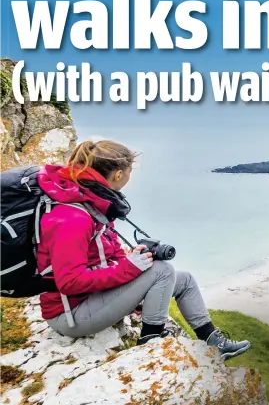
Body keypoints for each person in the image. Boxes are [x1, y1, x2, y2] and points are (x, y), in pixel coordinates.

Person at [36, 140, 250, 360]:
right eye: (130, 172)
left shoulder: (91, 202)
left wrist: (130, 260)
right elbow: (69, 282)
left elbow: (102, 253)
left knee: (184, 280)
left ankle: (213, 342)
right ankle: (152, 343)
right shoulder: (74, 217)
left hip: (94, 299)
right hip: (72, 315)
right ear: (119, 175)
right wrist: (128, 270)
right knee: (162, 271)